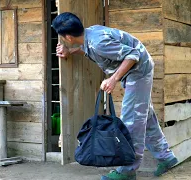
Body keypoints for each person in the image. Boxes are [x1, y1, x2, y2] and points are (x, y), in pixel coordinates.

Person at [52, 12, 177, 180]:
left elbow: (133, 55)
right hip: (135, 69)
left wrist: (113, 79)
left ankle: (127, 171)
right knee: (143, 115)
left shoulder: (98, 42)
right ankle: (166, 157)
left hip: (139, 71)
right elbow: (93, 50)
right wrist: (71, 52)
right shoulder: (90, 34)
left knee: (132, 120)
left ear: (68, 37)